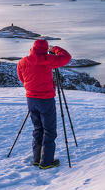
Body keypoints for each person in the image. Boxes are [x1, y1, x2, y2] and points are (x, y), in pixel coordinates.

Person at [17, 39, 71, 169]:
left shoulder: (22, 61)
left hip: (31, 99)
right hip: (46, 99)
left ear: (33, 48)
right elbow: (66, 57)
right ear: (45, 49)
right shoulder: (48, 60)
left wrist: (31, 87)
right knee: (49, 130)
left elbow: (21, 78)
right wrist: (55, 49)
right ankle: (46, 162)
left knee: (38, 129)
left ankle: (37, 158)